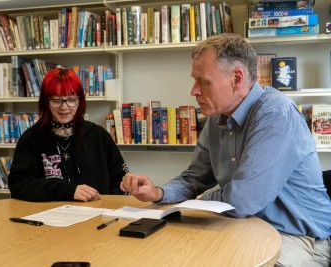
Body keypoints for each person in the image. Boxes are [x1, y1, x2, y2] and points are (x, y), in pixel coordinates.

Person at [120, 33, 331, 267]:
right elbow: (194, 178)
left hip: (301, 239)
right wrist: (158, 193)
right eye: (195, 80)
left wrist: (198, 201)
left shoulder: (275, 113)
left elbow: (243, 200)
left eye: (204, 82)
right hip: (245, 226)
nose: (194, 91)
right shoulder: (216, 118)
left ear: (237, 78)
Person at [9, 68, 129, 202]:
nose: (64, 107)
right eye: (56, 100)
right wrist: (66, 190)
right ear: (46, 102)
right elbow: (18, 186)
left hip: (99, 216)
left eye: (71, 99)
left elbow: (121, 183)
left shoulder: (99, 136)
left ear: (80, 101)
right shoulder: (31, 138)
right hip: (51, 218)